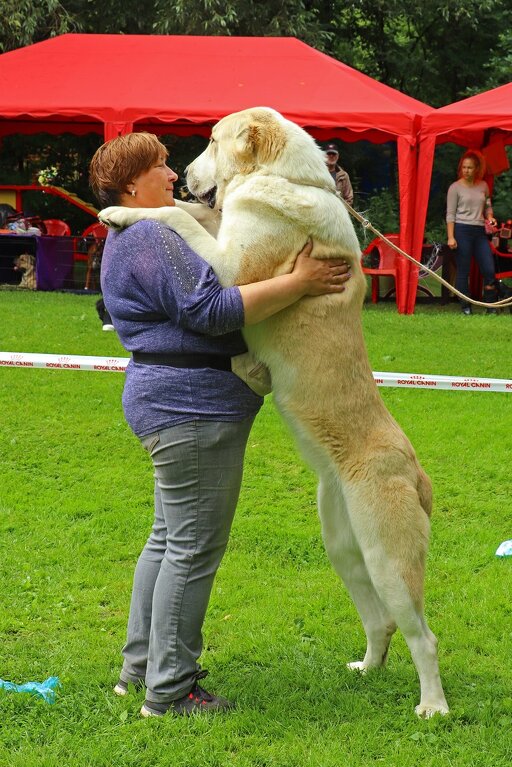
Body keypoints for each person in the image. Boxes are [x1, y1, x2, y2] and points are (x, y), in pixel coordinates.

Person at [89, 132, 351, 718]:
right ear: (132, 184)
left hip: (174, 402)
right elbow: (209, 311)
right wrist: (300, 284)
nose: (172, 172)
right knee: (191, 550)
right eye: (160, 166)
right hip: (191, 407)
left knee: (167, 540)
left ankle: (143, 669)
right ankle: (172, 690)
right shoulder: (152, 233)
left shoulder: (133, 232)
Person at [446, 149, 498, 315]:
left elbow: (488, 204)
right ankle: (465, 306)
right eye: (464, 167)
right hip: (461, 229)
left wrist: (490, 216)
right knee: (463, 269)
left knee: (489, 268)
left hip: (479, 231)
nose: (466, 170)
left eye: (470, 167)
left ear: (477, 169)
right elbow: (450, 214)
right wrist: (451, 237)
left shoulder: (483, 185)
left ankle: (491, 305)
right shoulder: (454, 188)